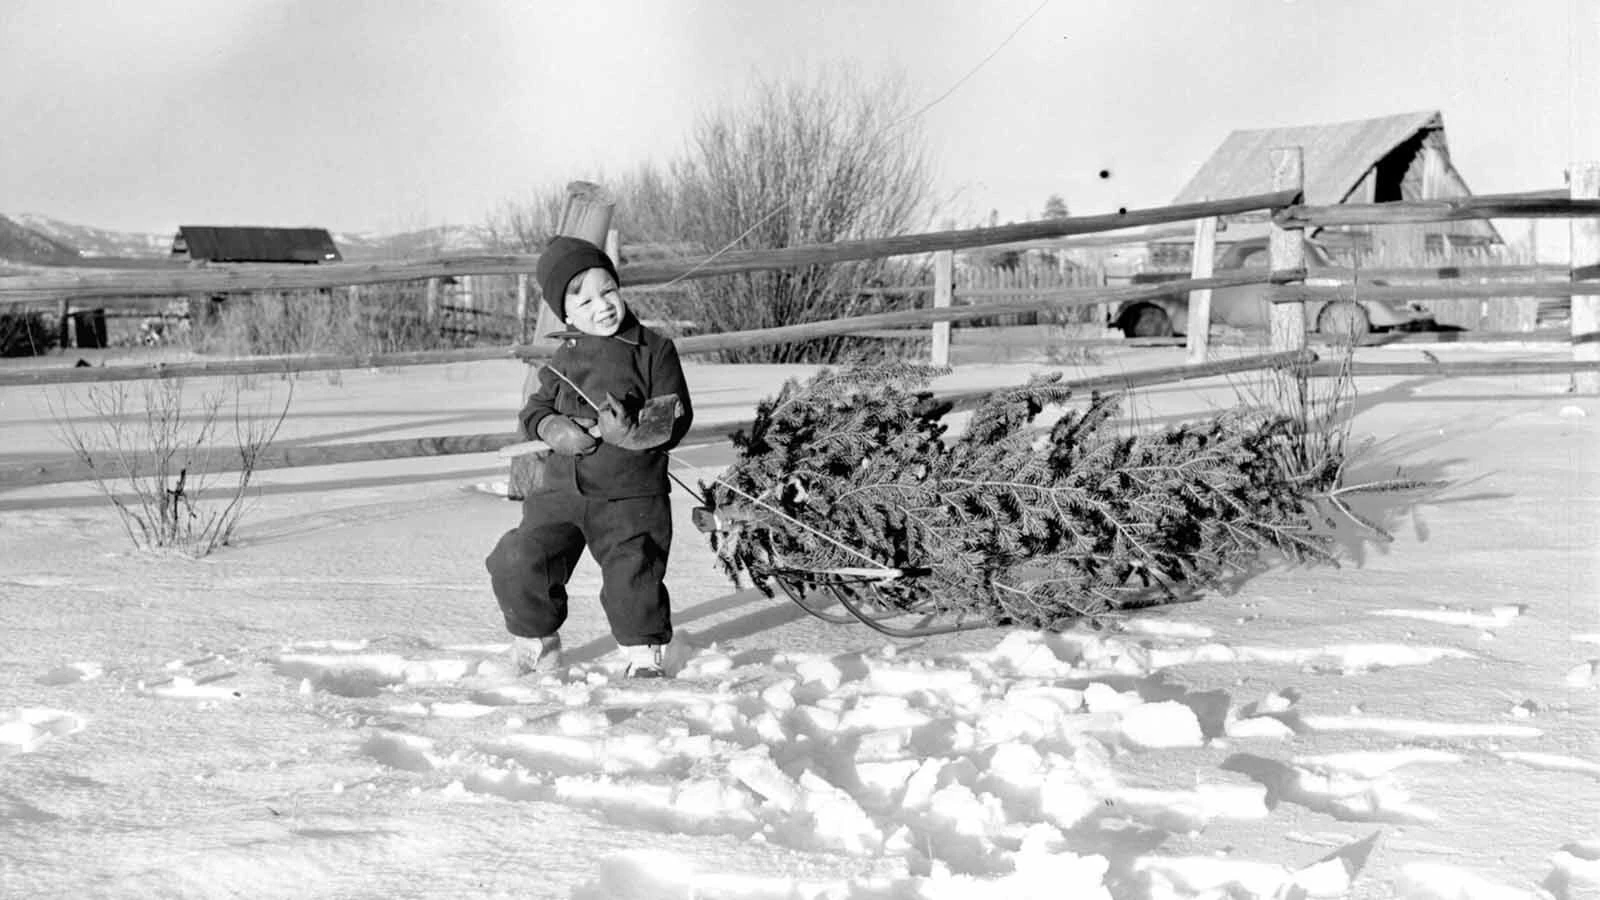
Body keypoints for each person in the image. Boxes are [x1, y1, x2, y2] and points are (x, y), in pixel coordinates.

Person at [485, 236, 694, 678]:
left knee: (632, 577)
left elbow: (675, 416)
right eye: (584, 301)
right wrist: (550, 427)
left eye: (608, 291)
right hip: (562, 492)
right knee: (519, 557)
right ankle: (537, 642)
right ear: (566, 315)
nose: (602, 306)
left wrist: (631, 432)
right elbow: (533, 410)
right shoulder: (564, 357)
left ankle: (645, 656)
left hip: (629, 496)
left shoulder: (654, 350)